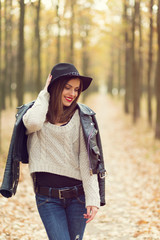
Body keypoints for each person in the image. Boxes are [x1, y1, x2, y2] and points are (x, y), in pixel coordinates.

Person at [22, 63, 106, 240]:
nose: (72, 94)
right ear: (55, 86)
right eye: (67, 87)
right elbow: (33, 123)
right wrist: (45, 92)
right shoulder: (37, 113)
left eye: (76, 89)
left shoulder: (80, 116)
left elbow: (86, 160)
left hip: (78, 198)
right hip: (47, 198)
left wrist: (92, 199)